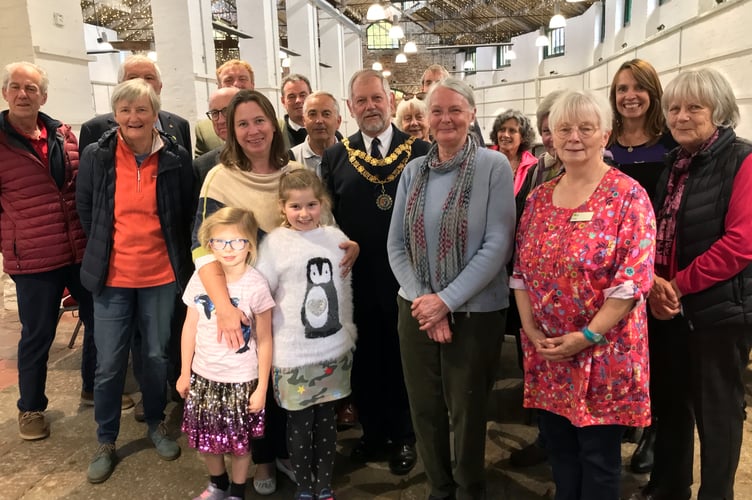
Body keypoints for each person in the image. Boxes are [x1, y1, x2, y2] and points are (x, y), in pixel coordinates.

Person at [192, 89, 359, 495]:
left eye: (259, 120)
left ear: (274, 123)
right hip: (247, 307)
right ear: (231, 131)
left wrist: (350, 244)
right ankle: (265, 459)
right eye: (242, 123)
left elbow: (324, 223)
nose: (253, 131)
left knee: (291, 394)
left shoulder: (292, 171)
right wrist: (225, 308)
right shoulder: (220, 178)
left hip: (297, 313)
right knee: (258, 389)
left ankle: (290, 458)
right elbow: (200, 248)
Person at [511, 90, 655, 500]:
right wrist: (531, 331)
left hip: (604, 352)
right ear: (550, 138)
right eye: (564, 129)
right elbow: (520, 272)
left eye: (586, 128)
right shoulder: (539, 198)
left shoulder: (629, 196)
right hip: (549, 351)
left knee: (598, 458)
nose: (574, 137)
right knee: (560, 452)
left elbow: (632, 281)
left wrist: (588, 335)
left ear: (605, 134)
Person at [387, 78, 515, 500]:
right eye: (436, 111)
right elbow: (396, 244)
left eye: (455, 110)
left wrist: (446, 301)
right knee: (424, 408)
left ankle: (468, 488)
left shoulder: (494, 166)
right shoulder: (413, 171)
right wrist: (426, 302)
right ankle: (439, 487)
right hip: (416, 309)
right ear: (425, 120)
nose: (445, 118)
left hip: (476, 312)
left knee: (467, 408)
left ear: (472, 115)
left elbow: (497, 244)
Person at [631, 68, 752, 500]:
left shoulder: (742, 159)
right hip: (667, 309)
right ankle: (669, 487)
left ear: (718, 111)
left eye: (694, 107)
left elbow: (741, 244)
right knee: (671, 406)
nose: (682, 116)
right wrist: (654, 286)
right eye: (675, 108)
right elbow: (656, 234)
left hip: (717, 313)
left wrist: (677, 286)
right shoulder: (673, 164)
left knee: (717, 416)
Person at [77, 78, 194, 483]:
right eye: (125, 110)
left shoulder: (174, 157)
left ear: (155, 114)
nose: (133, 117)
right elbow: (87, 207)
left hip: (160, 275)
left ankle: (157, 423)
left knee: (157, 356)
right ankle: (106, 439)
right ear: (116, 114)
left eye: (141, 110)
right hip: (112, 277)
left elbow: (182, 213)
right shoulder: (98, 154)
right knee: (109, 364)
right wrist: (104, 248)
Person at [320, 69, 430, 476]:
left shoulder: (420, 151)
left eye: (376, 99)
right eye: (361, 101)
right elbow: (326, 218)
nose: (370, 107)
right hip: (357, 278)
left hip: (410, 278)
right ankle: (372, 432)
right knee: (364, 358)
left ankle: (404, 435)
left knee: (405, 359)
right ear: (350, 109)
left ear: (390, 101)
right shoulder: (336, 156)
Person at [0, 61, 92, 440]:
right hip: (34, 259)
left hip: (79, 251)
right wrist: (16, 238)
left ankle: (95, 388)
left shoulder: (64, 136)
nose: (24, 94)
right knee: (37, 334)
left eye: (31, 88)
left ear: (44, 96)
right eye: (16, 87)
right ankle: (31, 407)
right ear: (6, 93)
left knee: (98, 324)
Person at [256, 169, 356, 500]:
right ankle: (303, 486)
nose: (304, 213)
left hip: (331, 350)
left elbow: (345, 276)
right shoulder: (274, 244)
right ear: (282, 207)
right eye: (295, 206)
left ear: (322, 203)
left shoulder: (333, 235)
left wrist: (353, 247)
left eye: (311, 205)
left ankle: (324, 484)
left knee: (327, 422)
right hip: (292, 355)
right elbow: (261, 292)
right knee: (298, 425)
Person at [607, 58, 676, 474]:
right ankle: (622, 422)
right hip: (613, 266)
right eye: (621, 89)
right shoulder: (606, 143)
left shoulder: (670, 143)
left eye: (638, 88)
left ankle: (653, 430)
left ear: (653, 92)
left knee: (658, 354)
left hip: (659, 263)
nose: (629, 96)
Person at [178, 207, 274, 500]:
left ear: (250, 245)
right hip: (205, 376)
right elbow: (190, 327)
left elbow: (267, 339)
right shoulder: (200, 279)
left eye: (237, 242)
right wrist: (184, 372)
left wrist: (261, 387)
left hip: (241, 380)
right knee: (209, 440)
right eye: (219, 242)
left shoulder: (256, 284)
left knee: (240, 443)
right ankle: (217, 484)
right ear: (209, 245)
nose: (228, 249)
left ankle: (237, 490)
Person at [507, 89, 566, 468]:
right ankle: (548, 441)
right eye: (546, 129)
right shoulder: (539, 171)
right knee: (545, 376)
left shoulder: (612, 178)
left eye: (557, 128)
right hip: (540, 298)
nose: (553, 137)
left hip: (581, 306)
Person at [79, 54, 191, 154]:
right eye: (133, 77)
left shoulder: (180, 125)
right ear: (120, 85)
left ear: (160, 86)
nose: (141, 82)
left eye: (149, 77)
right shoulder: (93, 130)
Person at [194, 59, 255, 157]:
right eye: (228, 80)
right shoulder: (204, 130)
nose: (236, 84)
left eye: (242, 79)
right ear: (219, 86)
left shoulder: (272, 124)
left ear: (252, 85)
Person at [421, 64, 485, 147]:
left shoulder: (466, 116)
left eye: (438, 82)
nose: (433, 87)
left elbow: (479, 146)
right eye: (428, 83)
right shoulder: (415, 117)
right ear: (422, 88)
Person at [194, 86, 241, 193]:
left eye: (227, 111)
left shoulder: (268, 158)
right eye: (215, 113)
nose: (220, 120)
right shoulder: (202, 167)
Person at [288, 91, 342, 178]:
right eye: (312, 114)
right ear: (304, 121)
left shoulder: (351, 157)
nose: (319, 121)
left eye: (326, 114)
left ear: (338, 121)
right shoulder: (291, 159)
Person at [489, 110, 537, 195]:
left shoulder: (534, 167)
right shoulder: (485, 160)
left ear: (523, 137)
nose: (505, 135)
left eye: (512, 131)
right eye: (502, 130)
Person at [279, 74, 312, 150]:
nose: (298, 100)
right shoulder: (276, 136)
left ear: (311, 96)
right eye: (291, 96)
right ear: (283, 101)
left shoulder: (328, 132)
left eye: (302, 95)